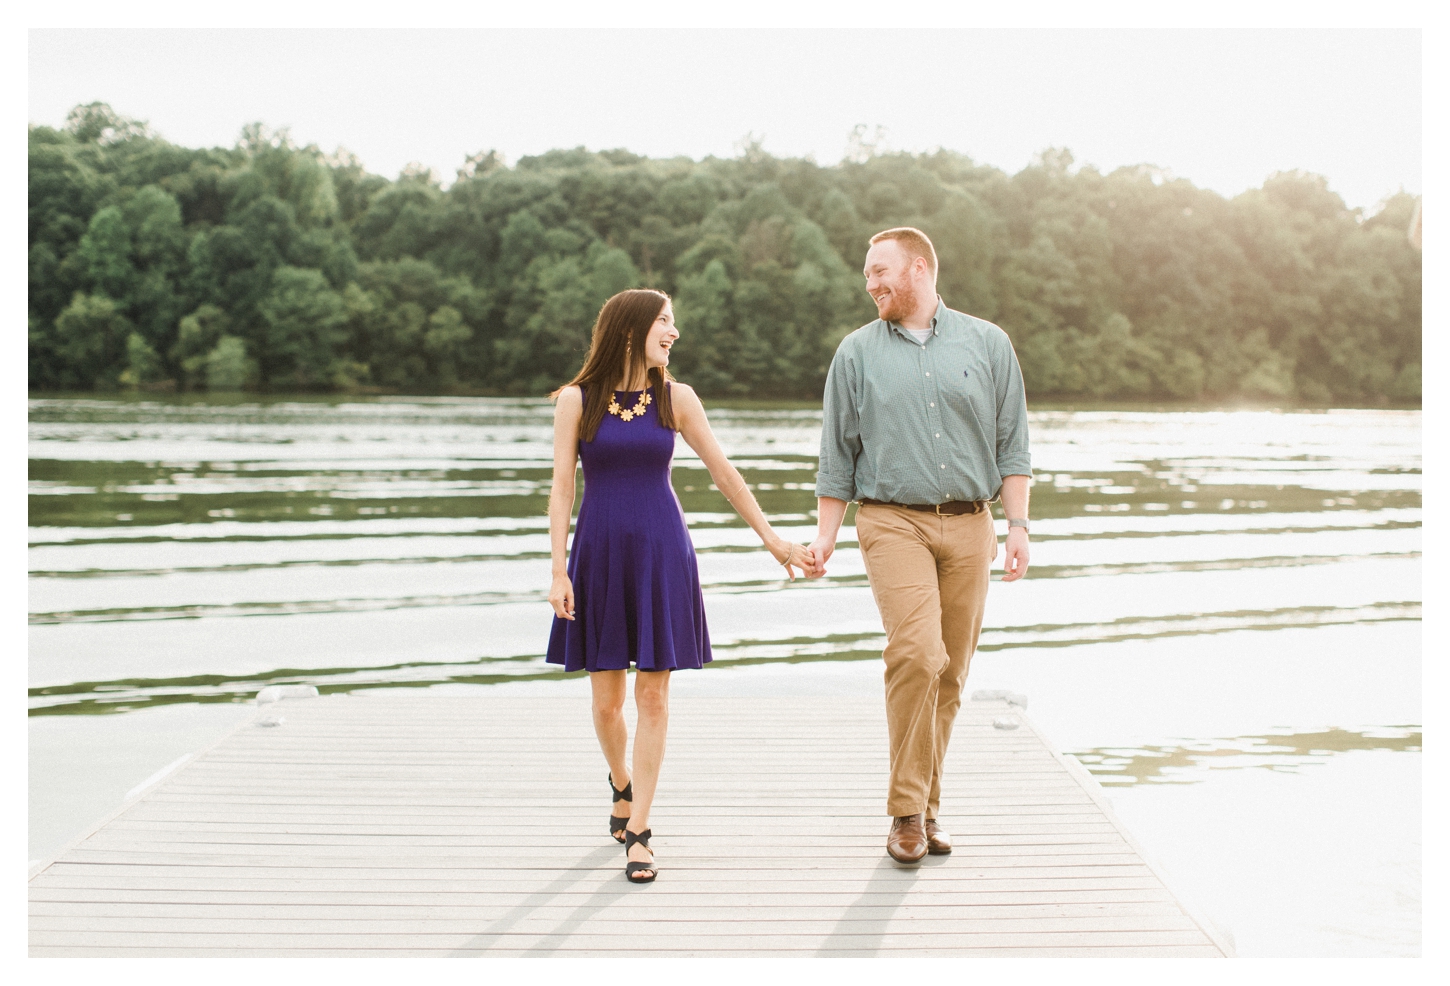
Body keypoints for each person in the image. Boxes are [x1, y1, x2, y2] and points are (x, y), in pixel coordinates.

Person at [546, 288, 816, 884]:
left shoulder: (676, 398)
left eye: (674, 323)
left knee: (654, 697)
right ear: (629, 329)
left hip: (662, 552)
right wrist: (558, 568)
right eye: (664, 322)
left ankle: (639, 829)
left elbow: (725, 474)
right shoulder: (577, 399)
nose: (674, 332)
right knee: (607, 701)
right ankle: (621, 781)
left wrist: (774, 541)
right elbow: (563, 488)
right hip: (598, 554)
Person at [807, 227, 1032, 864]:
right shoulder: (855, 354)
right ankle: (905, 811)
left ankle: (929, 806)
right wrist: (825, 537)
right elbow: (836, 458)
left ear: (920, 267)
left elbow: (1013, 446)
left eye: (881, 271)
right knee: (917, 652)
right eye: (868, 275)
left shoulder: (989, 344)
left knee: (952, 673)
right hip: (890, 521)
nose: (871, 283)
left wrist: (1017, 526)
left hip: (972, 525)